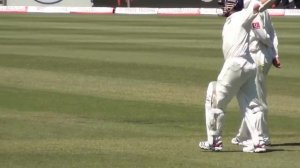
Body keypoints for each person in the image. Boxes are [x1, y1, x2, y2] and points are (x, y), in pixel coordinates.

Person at [198, 0, 275, 153]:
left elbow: (257, 6)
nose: (223, 6)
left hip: (235, 64)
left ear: (233, 5)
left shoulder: (242, 15)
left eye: (226, 3)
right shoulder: (232, 19)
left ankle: (214, 141)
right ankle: (258, 142)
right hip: (248, 66)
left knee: (214, 98)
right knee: (252, 105)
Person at [231, 0, 281, 146]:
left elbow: (263, 33)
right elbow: (272, 33)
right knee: (249, 95)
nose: (273, 5)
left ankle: (263, 137)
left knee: (257, 98)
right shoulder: (257, 6)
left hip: (257, 55)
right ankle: (243, 135)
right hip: (259, 55)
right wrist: (274, 53)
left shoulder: (256, 8)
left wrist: (273, 52)